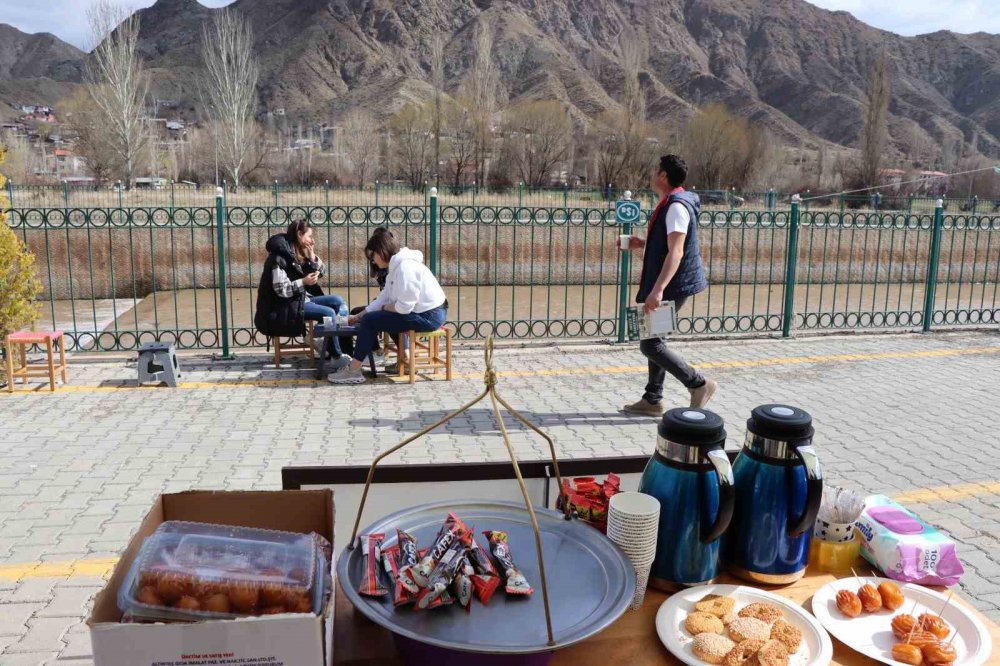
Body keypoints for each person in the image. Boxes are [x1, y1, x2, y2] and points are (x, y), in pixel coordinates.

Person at [619, 154, 716, 415]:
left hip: (673, 284)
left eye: (655, 170)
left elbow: (676, 252)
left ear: (663, 176)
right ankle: (652, 400)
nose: (652, 174)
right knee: (655, 339)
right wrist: (642, 243)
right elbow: (666, 245)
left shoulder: (676, 207)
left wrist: (658, 290)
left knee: (650, 344)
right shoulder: (672, 203)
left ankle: (699, 384)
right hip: (672, 282)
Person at [328, 232, 447, 384]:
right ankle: (400, 358)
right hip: (424, 312)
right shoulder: (396, 267)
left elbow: (403, 308)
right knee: (374, 317)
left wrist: (381, 309)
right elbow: (383, 297)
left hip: (430, 315)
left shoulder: (405, 268)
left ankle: (353, 370)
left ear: (381, 251)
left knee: (373, 320)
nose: (373, 262)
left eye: (373, 257)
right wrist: (359, 316)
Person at [253, 218, 352, 368]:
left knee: (338, 301)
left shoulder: (296, 252)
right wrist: (304, 282)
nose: (311, 240)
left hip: (300, 300)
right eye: (309, 236)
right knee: (329, 313)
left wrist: (312, 255)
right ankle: (336, 355)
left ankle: (334, 346)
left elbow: (322, 272)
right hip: (284, 307)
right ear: (300, 234)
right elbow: (282, 290)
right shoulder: (279, 257)